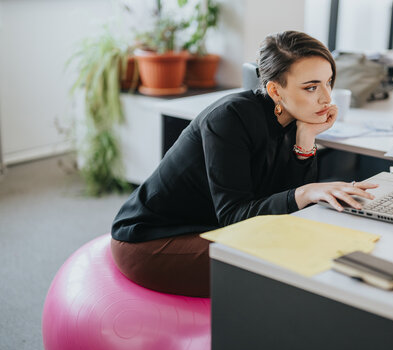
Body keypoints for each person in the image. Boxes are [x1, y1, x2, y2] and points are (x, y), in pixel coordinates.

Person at [110, 30, 377, 297]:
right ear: (274, 90)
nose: (326, 98)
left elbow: (291, 210)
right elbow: (234, 217)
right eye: (311, 87)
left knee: (316, 248)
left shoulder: (295, 119)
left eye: (328, 82)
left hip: (207, 226)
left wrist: (306, 137)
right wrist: (306, 192)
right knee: (290, 267)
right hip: (153, 241)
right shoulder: (229, 119)